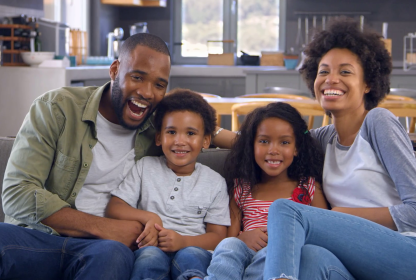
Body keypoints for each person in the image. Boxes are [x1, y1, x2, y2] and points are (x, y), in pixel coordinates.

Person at [0, 33, 235, 279]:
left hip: (101, 251)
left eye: (159, 84)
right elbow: (18, 193)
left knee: (113, 256)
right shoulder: (57, 108)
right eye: (137, 77)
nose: (147, 92)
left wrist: (245, 139)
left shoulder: (159, 130)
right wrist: (106, 227)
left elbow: (198, 128)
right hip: (37, 237)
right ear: (115, 70)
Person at [263, 17, 416, 280]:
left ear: (367, 83)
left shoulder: (377, 122)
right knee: (311, 257)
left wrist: (344, 215)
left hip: (407, 253)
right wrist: (207, 134)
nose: (331, 79)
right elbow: (263, 140)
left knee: (285, 210)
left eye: (345, 72)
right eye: (323, 71)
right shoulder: (325, 139)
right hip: (357, 261)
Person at [189, 102, 328, 280]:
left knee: (271, 253)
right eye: (264, 141)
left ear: (296, 148)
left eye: (284, 142)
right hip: (246, 254)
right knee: (230, 245)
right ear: (251, 146)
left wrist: (284, 241)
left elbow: (322, 235)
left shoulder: (308, 188)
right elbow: (226, 241)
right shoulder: (242, 189)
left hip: (283, 261)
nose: (273, 150)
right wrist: (243, 238)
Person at [105, 88, 230, 280]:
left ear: (206, 140)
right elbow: (114, 208)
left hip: (193, 246)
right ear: (158, 138)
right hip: (151, 247)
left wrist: (183, 241)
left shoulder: (215, 182)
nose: (180, 141)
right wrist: (149, 216)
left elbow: (218, 235)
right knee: (149, 257)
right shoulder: (145, 167)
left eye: (190, 133)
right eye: (171, 132)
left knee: (192, 256)